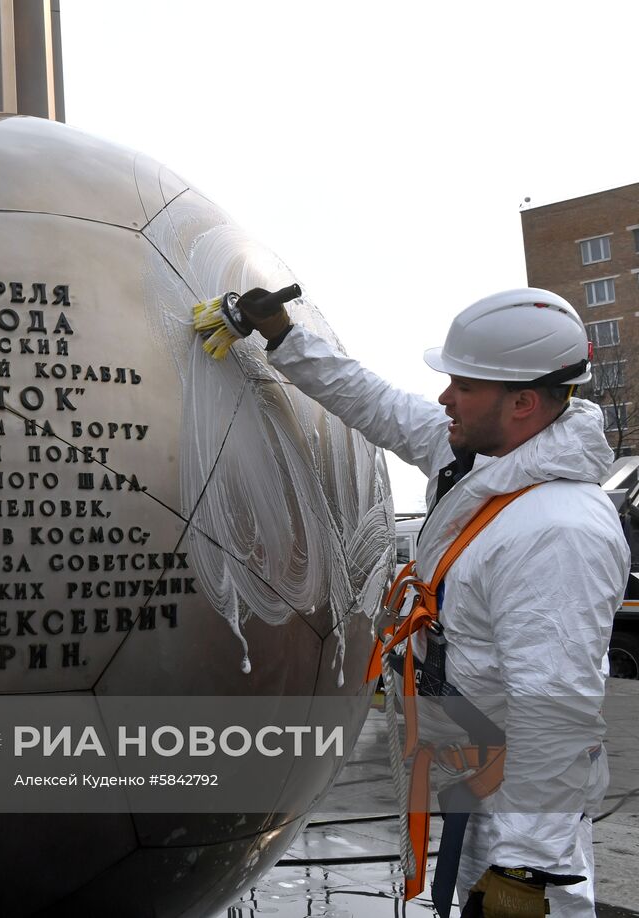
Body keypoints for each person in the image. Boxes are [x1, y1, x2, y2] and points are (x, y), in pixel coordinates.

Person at [235, 287, 626, 917]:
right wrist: (283, 336)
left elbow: (556, 709)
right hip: (472, 778)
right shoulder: (482, 458)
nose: (445, 398)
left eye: (463, 385)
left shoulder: (559, 531)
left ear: (522, 402)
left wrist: (526, 870)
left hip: (518, 808)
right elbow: (376, 404)